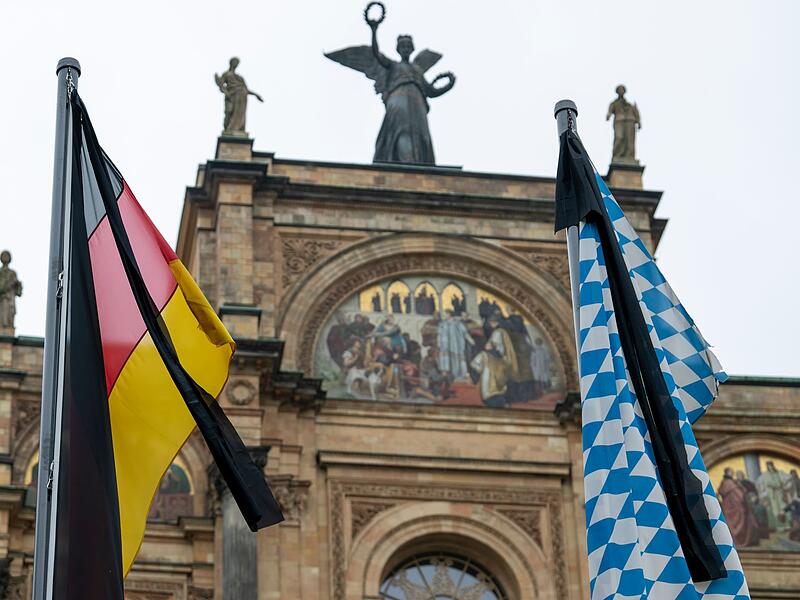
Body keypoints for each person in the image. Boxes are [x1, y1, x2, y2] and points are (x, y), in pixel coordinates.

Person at [718, 467, 758, 547]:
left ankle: (738, 541)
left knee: (735, 522)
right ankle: (739, 541)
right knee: (737, 521)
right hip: (733, 506)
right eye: (731, 472)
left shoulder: (728, 482)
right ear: (727, 473)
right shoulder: (730, 483)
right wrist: (742, 493)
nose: (732, 474)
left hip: (730, 506)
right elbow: (739, 495)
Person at [437, 311, 475, 380]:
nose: (443, 316)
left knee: (456, 359)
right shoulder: (442, 324)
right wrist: (439, 343)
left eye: (445, 314)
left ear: (449, 315)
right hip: (445, 345)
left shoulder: (458, 323)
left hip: (456, 345)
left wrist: (470, 340)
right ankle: (446, 375)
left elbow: (464, 333)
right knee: (446, 359)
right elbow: (439, 334)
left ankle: (458, 374)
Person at [758, 461, 791, 531]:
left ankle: (786, 525)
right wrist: (775, 486)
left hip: (780, 493)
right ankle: (779, 527)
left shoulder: (777, 473)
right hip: (773, 495)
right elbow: (766, 483)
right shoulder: (765, 475)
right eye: (769, 466)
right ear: (767, 467)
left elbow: (782, 481)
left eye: (771, 465)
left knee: (783, 508)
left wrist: (782, 486)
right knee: (775, 510)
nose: (770, 467)